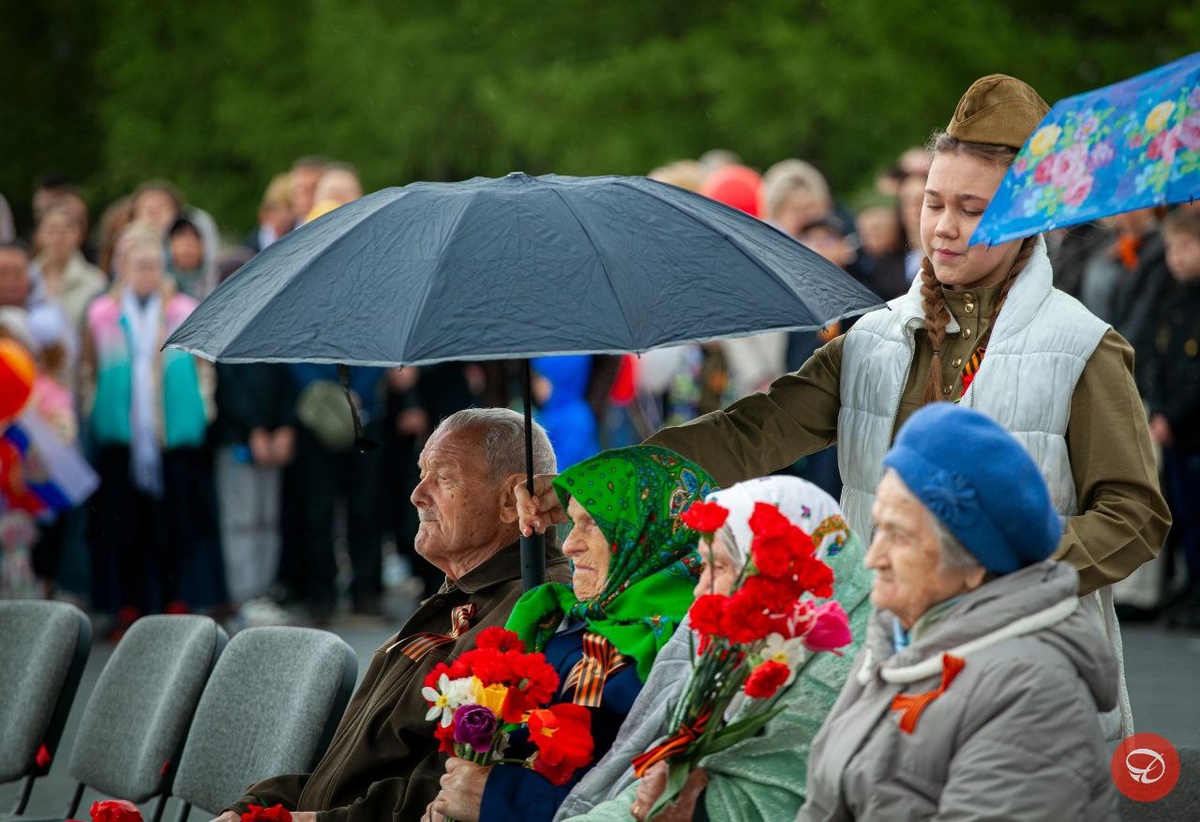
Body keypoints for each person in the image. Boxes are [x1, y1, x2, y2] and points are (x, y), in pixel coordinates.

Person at [522, 74, 1170, 739]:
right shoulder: (873, 338)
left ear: (1028, 215)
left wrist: (1000, 568)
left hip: (1029, 675)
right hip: (880, 664)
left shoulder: (1082, 346)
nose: (944, 228)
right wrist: (588, 488)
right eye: (933, 203)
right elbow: (751, 433)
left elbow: (1135, 517)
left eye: (972, 209)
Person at [216, 409, 569, 821]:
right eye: (421, 473)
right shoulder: (459, 596)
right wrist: (259, 806)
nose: (417, 494)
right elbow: (343, 775)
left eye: (443, 477)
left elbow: (447, 793)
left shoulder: (533, 610)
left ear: (512, 500)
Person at [798, 403, 1118, 820]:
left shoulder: (1031, 691)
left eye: (899, 536)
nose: (873, 558)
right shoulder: (896, 637)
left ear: (973, 563)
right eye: (879, 529)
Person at [557, 476, 874, 822]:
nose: (699, 590)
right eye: (704, 565)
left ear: (777, 575)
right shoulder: (731, 638)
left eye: (719, 566)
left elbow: (774, 798)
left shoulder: (840, 676)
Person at [428, 446, 716, 822]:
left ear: (648, 531)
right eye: (573, 523)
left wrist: (495, 798)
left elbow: (633, 794)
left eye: (592, 524)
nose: (569, 545)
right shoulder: (565, 614)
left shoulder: (687, 649)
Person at [80, 222, 220, 631]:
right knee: (124, 523)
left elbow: (204, 368)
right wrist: (93, 408)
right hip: (121, 435)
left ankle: (175, 598)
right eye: (138, 265)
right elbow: (88, 370)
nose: (147, 273)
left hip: (173, 433)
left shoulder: (183, 310)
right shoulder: (102, 315)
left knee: (175, 520)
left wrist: (203, 408)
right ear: (122, 267)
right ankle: (128, 604)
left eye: (154, 265)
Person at [1147, 208, 1200, 629]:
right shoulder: (1173, 297)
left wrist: (1174, 415)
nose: (1176, 256)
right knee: (1183, 511)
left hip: (1192, 427)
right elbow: (1159, 356)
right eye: (1171, 247)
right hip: (1173, 428)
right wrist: (1160, 409)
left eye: (1187, 246)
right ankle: (1189, 584)